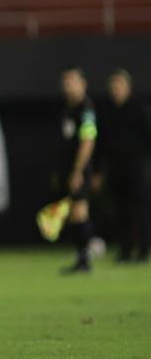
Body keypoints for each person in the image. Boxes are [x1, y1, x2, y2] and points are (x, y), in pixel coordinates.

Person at [53, 67, 101, 274]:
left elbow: (88, 140)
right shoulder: (67, 109)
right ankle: (82, 258)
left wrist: (78, 170)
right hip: (68, 169)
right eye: (65, 82)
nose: (68, 86)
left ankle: (89, 251)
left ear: (83, 84)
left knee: (80, 211)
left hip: (79, 170)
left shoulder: (86, 109)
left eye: (72, 81)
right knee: (74, 214)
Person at [103, 69, 150, 264]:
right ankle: (125, 250)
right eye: (113, 85)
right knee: (120, 211)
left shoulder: (138, 108)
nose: (116, 89)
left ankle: (143, 250)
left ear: (128, 86)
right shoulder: (108, 111)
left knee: (140, 210)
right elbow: (102, 142)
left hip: (136, 167)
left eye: (119, 85)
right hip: (115, 168)